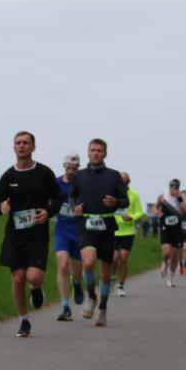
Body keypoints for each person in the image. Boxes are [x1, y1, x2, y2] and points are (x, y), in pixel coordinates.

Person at [0, 131, 62, 337]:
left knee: (33, 276)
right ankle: (24, 320)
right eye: (18, 143)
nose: (21, 146)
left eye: (25, 143)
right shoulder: (8, 176)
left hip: (37, 235)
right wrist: (1, 206)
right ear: (14, 148)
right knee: (17, 278)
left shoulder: (44, 173)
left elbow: (58, 198)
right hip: (15, 236)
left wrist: (49, 212)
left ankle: (37, 288)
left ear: (33, 147)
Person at [70, 138, 129, 327]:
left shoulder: (113, 176)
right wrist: (75, 207)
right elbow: (72, 195)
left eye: (99, 151)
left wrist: (115, 203)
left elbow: (125, 201)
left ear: (105, 154)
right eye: (92, 150)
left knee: (105, 272)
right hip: (86, 224)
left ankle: (102, 307)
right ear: (88, 152)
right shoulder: (79, 175)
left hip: (106, 225)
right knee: (87, 262)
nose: (95, 153)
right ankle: (92, 297)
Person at [53, 152, 86, 321]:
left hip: (79, 230)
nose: (71, 170)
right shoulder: (56, 184)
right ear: (64, 166)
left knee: (77, 269)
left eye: (74, 168)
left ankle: (77, 283)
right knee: (63, 265)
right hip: (62, 229)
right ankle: (65, 306)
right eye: (69, 167)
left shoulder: (82, 184)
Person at [112, 172, 143, 297]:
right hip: (113, 230)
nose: (122, 185)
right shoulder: (112, 194)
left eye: (124, 183)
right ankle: (112, 278)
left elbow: (140, 212)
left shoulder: (134, 195)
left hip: (128, 231)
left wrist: (131, 217)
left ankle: (121, 285)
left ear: (128, 183)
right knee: (114, 259)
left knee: (123, 258)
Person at [155, 179, 186, 287]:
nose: (174, 190)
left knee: (174, 256)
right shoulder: (163, 196)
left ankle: (171, 277)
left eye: (176, 188)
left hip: (177, 229)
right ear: (169, 187)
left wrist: (180, 199)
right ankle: (164, 262)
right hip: (165, 227)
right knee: (166, 252)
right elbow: (155, 206)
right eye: (172, 188)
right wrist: (157, 213)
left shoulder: (181, 197)